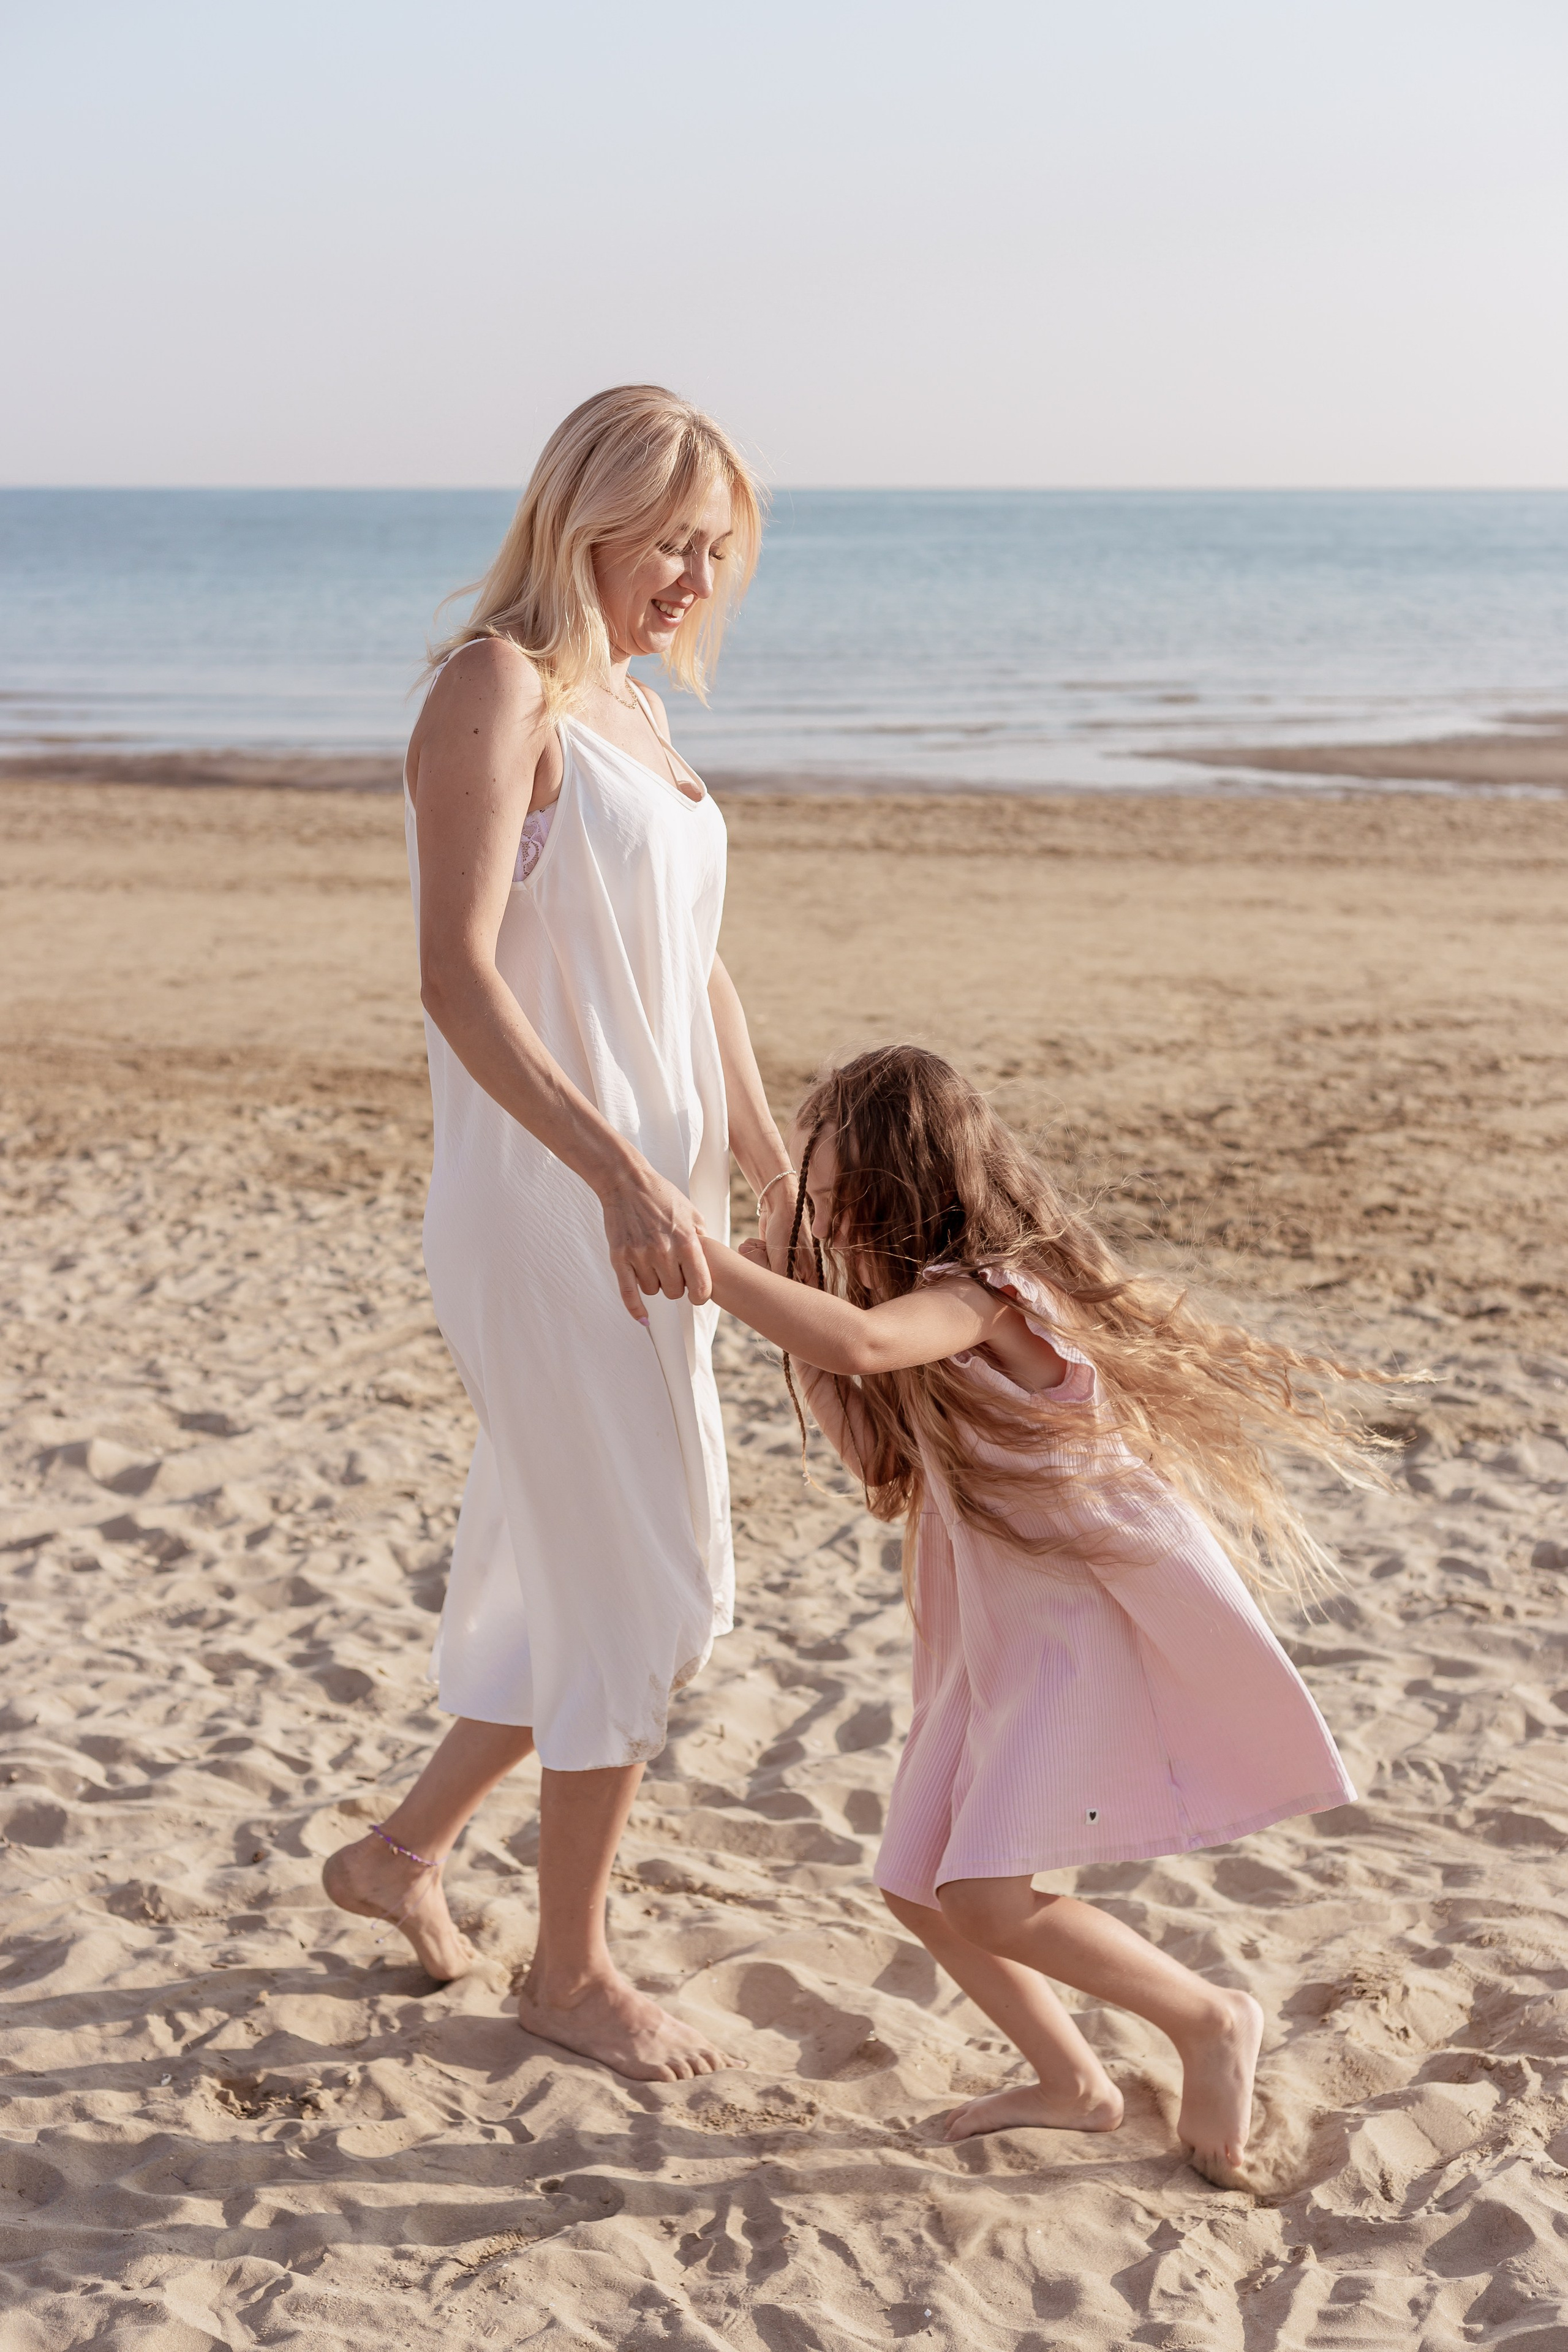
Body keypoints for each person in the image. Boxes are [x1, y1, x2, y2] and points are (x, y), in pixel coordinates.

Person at [323, 387, 796, 2084]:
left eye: (713, 548)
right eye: (673, 539)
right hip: (550, 1202)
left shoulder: (643, 723)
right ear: (584, 512)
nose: (695, 576)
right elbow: (454, 973)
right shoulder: (497, 685)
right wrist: (610, 1167)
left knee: (613, 1567)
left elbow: (697, 967)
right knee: (640, 1581)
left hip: (661, 1202)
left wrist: (764, 1151)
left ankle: (396, 1861)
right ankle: (569, 1971)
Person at [695, 1044, 1379, 2183]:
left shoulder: (988, 1297)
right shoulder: (915, 1317)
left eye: (832, 1205)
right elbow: (879, 1464)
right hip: (995, 1635)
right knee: (917, 1885)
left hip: (1076, 1625)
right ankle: (1073, 2083)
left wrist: (705, 1261)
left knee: (986, 1896)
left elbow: (861, 1343)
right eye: (808, 1205)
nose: (817, 1227)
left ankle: (1209, 2019)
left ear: (899, 1193)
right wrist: (790, 1306)